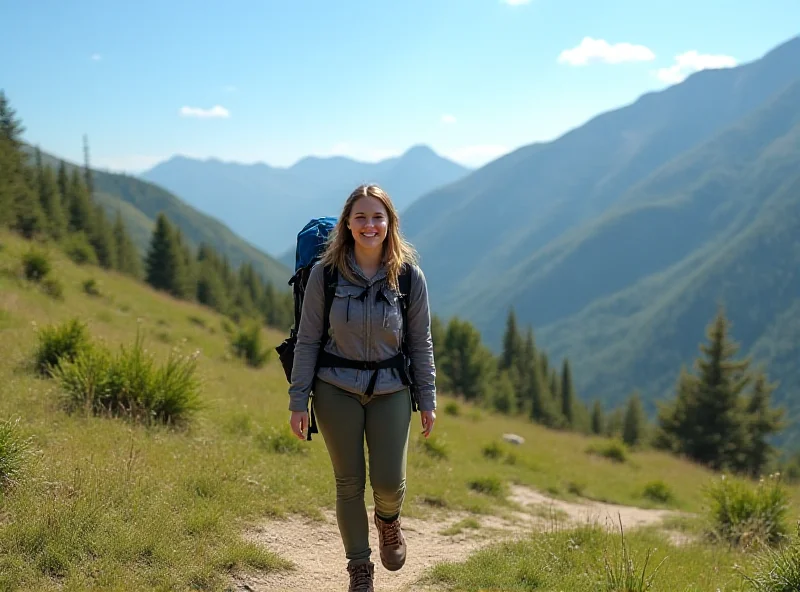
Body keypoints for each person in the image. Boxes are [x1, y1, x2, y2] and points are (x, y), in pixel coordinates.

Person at [288, 184, 437, 591]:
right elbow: (308, 340)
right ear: (347, 224)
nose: (369, 225)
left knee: (388, 483)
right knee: (349, 483)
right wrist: (298, 400)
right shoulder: (327, 274)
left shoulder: (408, 277)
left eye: (377, 217)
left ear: (390, 223)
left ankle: (388, 521)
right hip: (335, 387)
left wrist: (427, 399)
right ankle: (359, 569)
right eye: (361, 218)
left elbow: (420, 342)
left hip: (391, 388)